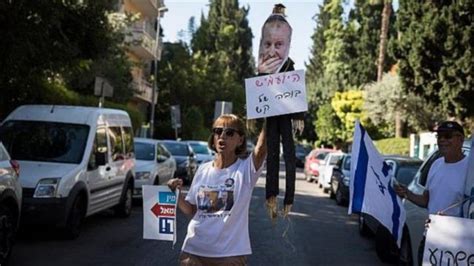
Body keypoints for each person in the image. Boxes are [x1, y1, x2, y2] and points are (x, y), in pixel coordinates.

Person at [167, 114, 266, 265]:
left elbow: (261, 149)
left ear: (240, 140)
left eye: (229, 132)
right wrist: (176, 194)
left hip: (228, 256)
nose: (222, 136)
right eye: (218, 131)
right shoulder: (202, 170)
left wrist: (271, 116)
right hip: (193, 252)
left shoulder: (245, 170)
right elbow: (192, 210)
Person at [394, 120, 468, 265]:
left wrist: (449, 222)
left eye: (447, 136)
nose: (442, 140)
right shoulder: (436, 164)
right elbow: (426, 201)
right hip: (431, 240)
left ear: (460, 139)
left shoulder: (470, 170)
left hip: (458, 247)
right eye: (439, 136)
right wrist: (407, 193)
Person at [257, 3, 304, 218]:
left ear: (287, 45)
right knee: (272, 153)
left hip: (284, 113)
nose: (273, 50)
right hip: (271, 114)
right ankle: (271, 198)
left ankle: (289, 200)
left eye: (279, 44)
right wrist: (253, 113)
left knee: (290, 155)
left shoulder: (289, 67)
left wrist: (298, 116)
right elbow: (256, 93)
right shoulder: (263, 70)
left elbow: (295, 91)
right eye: (268, 44)